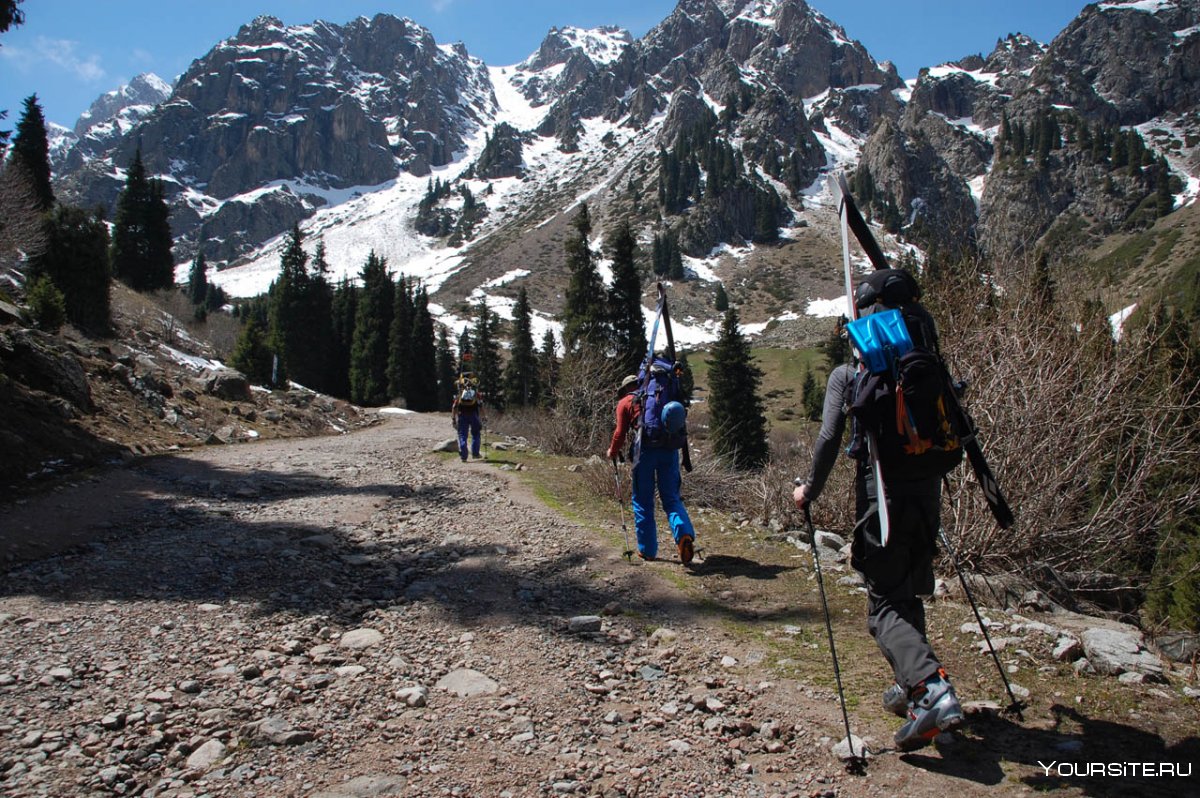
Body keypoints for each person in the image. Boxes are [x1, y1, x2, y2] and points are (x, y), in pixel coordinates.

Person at [793, 306, 964, 752]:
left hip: (882, 497)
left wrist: (808, 491)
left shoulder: (849, 375)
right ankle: (912, 687)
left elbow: (829, 438)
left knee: (884, 604)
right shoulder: (925, 365)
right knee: (904, 591)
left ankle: (930, 689)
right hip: (927, 494)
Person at [606, 372, 697, 564]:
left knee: (642, 500)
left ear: (625, 389)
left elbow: (620, 433)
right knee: (671, 498)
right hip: (669, 450)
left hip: (644, 453)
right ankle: (684, 535)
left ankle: (647, 550)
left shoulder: (625, 403)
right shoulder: (658, 397)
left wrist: (613, 451)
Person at [451, 370, 483, 462]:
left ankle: (464, 455)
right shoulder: (476, 393)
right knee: (476, 434)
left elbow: (454, 407)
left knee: (462, 435)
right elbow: (481, 406)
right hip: (474, 416)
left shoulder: (460, 394)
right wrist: (484, 417)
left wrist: (453, 419)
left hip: (462, 416)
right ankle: (475, 454)